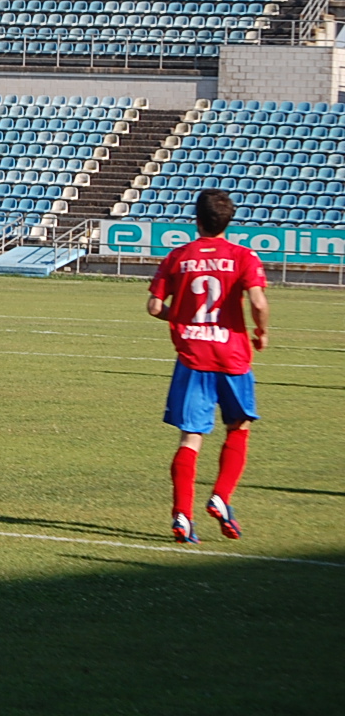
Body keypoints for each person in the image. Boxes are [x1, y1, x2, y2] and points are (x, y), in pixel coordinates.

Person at [147, 188, 267, 544]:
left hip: (193, 358)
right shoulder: (243, 256)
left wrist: (180, 317)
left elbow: (154, 306)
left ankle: (182, 517)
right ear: (228, 222)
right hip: (232, 357)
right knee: (239, 426)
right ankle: (221, 497)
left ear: (196, 220)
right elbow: (258, 302)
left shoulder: (178, 256)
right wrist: (260, 331)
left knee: (190, 437)